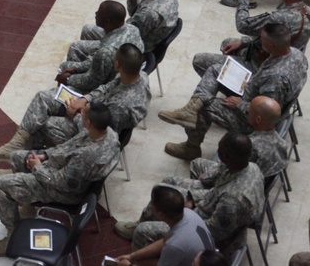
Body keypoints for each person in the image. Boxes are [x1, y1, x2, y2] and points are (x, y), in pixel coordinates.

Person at [0, 101, 119, 257]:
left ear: (88, 123)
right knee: (18, 157)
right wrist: (46, 155)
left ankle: (11, 236)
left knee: (1, 184)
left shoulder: (86, 156)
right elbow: (70, 148)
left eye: (83, 113)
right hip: (61, 170)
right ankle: (29, 207)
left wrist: (37, 168)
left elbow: (62, 183)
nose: (80, 113)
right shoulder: (108, 134)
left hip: (64, 192)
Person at [0, 44, 149, 162]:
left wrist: (77, 114)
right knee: (43, 98)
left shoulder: (123, 106)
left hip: (92, 129)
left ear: (117, 64)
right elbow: (106, 87)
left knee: (47, 124)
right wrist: (84, 100)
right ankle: (15, 146)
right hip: (92, 109)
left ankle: (26, 165)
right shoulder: (135, 74)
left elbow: (100, 133)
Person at [163, 23, 307, 160]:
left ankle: (191, 148)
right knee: (216, 70)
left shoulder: (275, 79)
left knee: (205, 106)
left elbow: (266, 113)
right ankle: (190, 109)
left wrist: (241, 104)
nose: (259, 42)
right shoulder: (296, 54)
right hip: (253, 89)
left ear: (271, 46)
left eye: (261, 40)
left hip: (251, 119)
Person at [117, 132, 265, 255]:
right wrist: (192, 198)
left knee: (143, 231)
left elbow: (210, 233)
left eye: (219, 149)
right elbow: (216, 191)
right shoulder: (251, 167)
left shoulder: (232, 202)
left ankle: (143, 248)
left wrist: (182, 217)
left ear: (226, 157)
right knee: (162, 190)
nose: (217, 151)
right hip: (208, 206)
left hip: (206, 234)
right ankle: (143, 221)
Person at [193, 0, 310, 79]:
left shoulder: (280, 18)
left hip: (261, 68)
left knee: (199, 60)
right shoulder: (306, 11)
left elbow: (243, 25)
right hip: (284, 63)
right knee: (228, 43)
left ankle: (241, 94)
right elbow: (277, 38)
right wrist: (244, 41)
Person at [69, 0, 178, 58]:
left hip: (131, 50)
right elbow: (135, 15)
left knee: (77, 46)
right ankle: (92, 64)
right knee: (88, 29)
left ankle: (94, 69)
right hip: (139, 37)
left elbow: (127, 33)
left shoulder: (150, 12)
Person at [189, 96, 290, 180]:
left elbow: (227, 170)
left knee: (197, 163)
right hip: (259, 182)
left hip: (238, 185)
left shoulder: (249, 146)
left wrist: (205, 178)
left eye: (250, 110)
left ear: (258, 119)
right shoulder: (282, 143)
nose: (247, 112)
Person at [112, 186, 215, 266]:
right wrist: (132, 256)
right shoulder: (188, 213)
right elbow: (164, 241)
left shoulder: (174, 245)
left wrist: (130, 265)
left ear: (160, 214)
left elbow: (169, 246)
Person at [56, 0, 144, 94]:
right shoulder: (133, 29)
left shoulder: (106, 52)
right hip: (124, 68)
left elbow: (92, 81)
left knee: (64, 67)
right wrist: (78, 68)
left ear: (107, 21)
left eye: (98, 12)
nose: (96, 13)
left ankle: (68, 93)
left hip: (107, 86)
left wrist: (69, 78)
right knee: (76, 47)